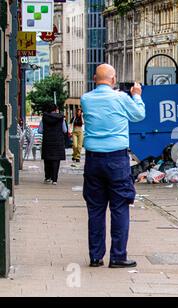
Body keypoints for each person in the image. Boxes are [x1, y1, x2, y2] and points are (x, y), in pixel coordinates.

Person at [81, 64, 145, 268]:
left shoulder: (86, 99)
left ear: (94, 78)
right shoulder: (120, 98)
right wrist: (136, 95)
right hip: (117, 159)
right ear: (114, 80)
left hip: (93, 160)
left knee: (95, 209)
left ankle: (95, 256)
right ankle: (118, 256)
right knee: (119, 207)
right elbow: (138, 115)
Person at [38, 105, 67, 185]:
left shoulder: (44, 118)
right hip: (58, 142)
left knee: (47, 160)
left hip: (47, 141)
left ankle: (47, 177)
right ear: (56, 110)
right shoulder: (61, 118)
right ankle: (55, 179)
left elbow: (39, 130)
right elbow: (65, 130)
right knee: (56, 160)